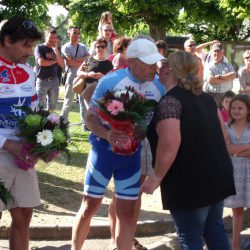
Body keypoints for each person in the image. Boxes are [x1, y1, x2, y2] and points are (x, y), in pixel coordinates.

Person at [71, 38, 165, 250]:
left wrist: (147, 130)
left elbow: (162, 123)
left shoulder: (159, 85)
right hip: (103, 152)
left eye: (155, 62)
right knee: (89, 206)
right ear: (132, 62)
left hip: (132, 157)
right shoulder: (111, 80)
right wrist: (107, 135)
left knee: (126, 211)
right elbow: (90, 117)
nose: (154, 67)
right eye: (149, 63)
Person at [143, 51, 236, 249]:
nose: (159, 68)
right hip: (215, 174)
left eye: (163, 65)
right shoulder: (207, 98)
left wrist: (156, 178)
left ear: (170, 70)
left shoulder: (171, 102)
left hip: (190, 180)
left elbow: (170, 143)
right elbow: (224, 135)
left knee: (191, 238)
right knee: (215, 231)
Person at [0, 16, 43, 250]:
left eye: (33, 46)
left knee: (24, 215)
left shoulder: (28, 71)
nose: (30, 51)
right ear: (7, 40)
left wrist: (41, 144)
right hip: (2, 151)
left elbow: (33, 112)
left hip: (23, 155)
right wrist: (8, 144)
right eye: (26, 45)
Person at [224, 94, 250, 250]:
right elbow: (225, 149)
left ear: (248, 110)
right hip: (234, 172)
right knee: (237, 209)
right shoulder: (226, 128)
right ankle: (235, 244)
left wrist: (234, 151)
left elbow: (231, 150)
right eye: (233, 108)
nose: (236, 111)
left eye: (240, 108)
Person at [60, 26, 89, 128]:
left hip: (82, 77)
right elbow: (70, 63)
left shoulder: (83, 46)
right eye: (74, 33)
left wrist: (75, 60)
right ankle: (63, 122)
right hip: (71, 76)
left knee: (83, 101)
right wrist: (81, 60)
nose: (77, 35)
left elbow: (88, 60)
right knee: (68, 100)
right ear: (69, 34)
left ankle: (85, 124)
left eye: (78, 33)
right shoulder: (65, 47)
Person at [34, 29, 64, 112]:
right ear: (45, 37)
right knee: (40, 106)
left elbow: (62, 64)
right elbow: (41, 62)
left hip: (54, 80)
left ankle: (50, 124)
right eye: (51, 37)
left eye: (55, 37)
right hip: (42, 80)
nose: (53, 40)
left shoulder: (57, 49)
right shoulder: (39, 47)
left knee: (52, 107)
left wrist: (56, 51)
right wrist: (55, 61)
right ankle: (39, 124)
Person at [78, 38, 113, 107]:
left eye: (102, 47)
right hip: (87, 90)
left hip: (102, 91)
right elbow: (78, 73)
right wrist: (88, 74)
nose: (100, 49)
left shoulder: (109, 63)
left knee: (98, 111)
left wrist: (102, 76)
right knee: (87, 111)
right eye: (98, 47)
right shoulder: (89, 60)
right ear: (95, 48)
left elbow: (111, 79)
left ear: (106, 48)